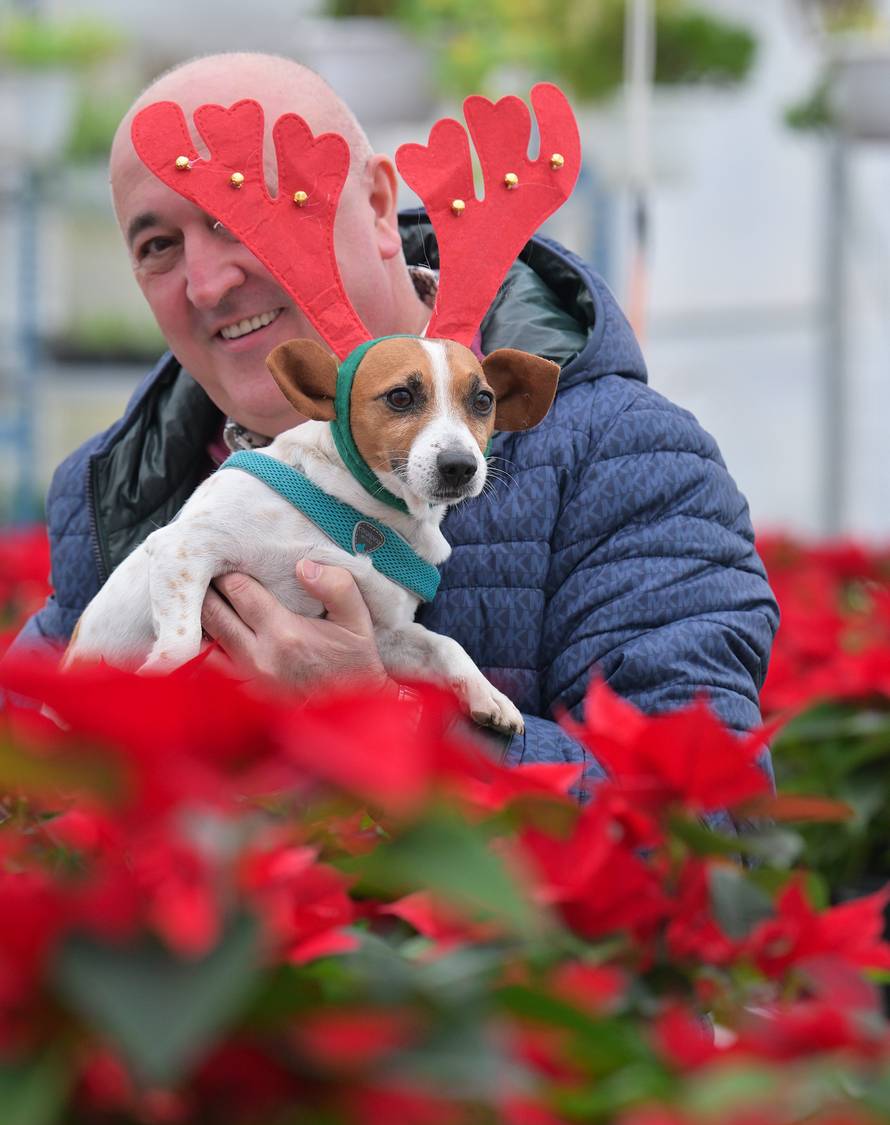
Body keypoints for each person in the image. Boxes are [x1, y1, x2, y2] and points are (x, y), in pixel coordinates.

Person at [12, 51, 779, 768]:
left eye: (245, 213)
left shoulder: (627, 463)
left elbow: (709, 829)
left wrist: (390, 712)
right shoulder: (117, 482)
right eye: (157, 246)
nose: (207, 284)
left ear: (380, 207)